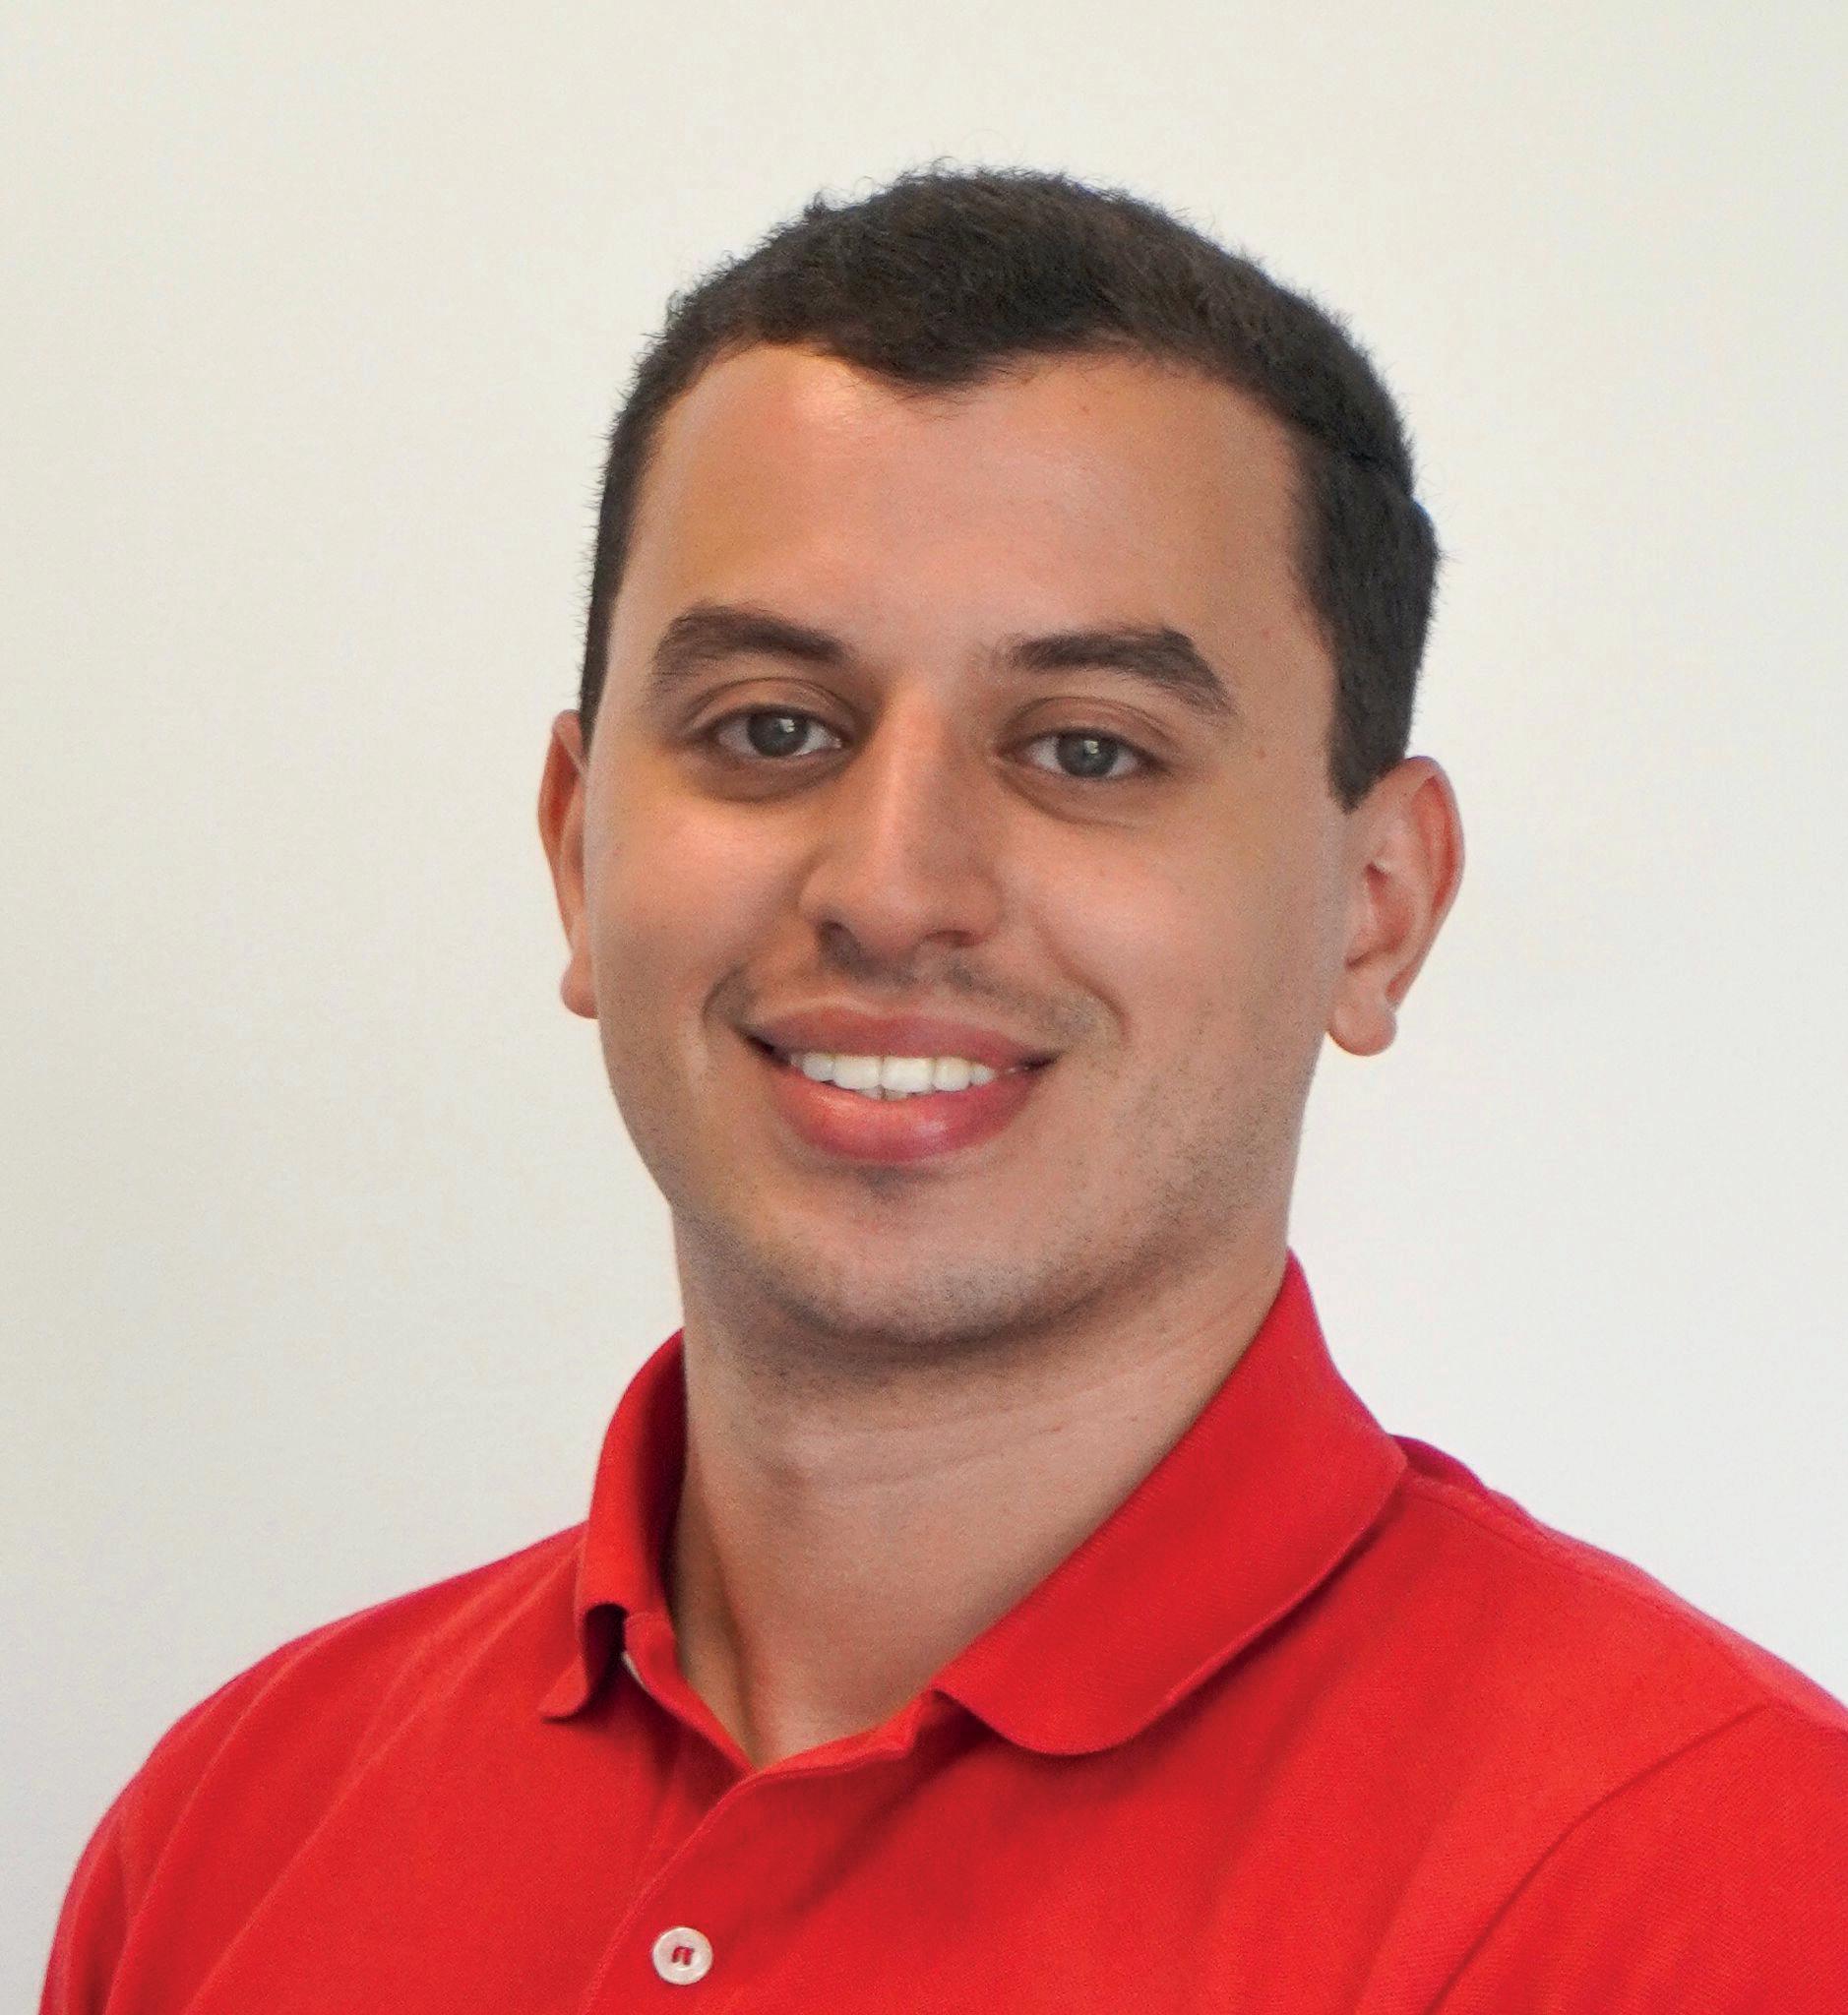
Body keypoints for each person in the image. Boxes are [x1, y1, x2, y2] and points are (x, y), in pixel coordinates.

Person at [41, 164, 1848, 2013]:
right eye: (770, 728)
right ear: (580, 852)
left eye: (1087, 750)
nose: (892, 887)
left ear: (1374, 908)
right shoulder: (227, 1830)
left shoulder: (1719, 1894)